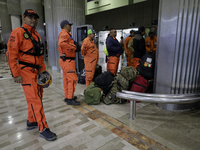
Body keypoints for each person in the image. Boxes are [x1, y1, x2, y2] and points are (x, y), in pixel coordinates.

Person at [6, 9, 57, 141]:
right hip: (25, 71)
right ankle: (43, 128)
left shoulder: (37, 36)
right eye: (30, 17)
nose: (33, 20)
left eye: (35, 17)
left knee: (37, 97)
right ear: (24, 18)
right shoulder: (18, 32)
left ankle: (31, 120)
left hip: (37, 72)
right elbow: (11, 55)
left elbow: (39, 56)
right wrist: (15, 74)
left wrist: (44, 72)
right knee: (35, 100)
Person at [58, 20, 80, 105]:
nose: (70, 27)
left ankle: (67, 96)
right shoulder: (65, 33)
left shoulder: (65, 34)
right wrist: (74, 47)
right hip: (68, 61)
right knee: (72, 79)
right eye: (69, 25)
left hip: (65, 60)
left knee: (66, 79)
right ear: (66, 25)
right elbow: (61, 43)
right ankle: (70, 98)